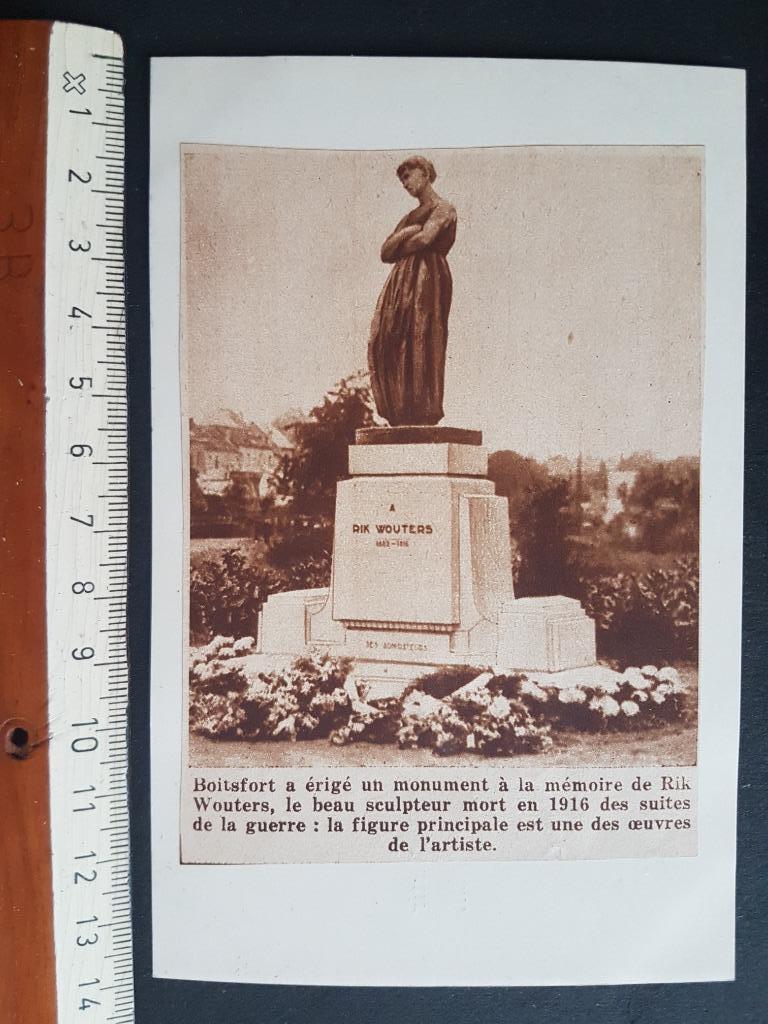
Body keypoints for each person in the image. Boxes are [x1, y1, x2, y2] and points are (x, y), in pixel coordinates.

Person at [368, 156, 457, 426]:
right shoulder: (409, 218)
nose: (405, 184)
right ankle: (398, 408)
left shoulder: (444, 208)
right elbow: (385, 252)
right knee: (386, 339)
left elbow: (425, 238)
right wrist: (410, 232)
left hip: (428, 278)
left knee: (422, 336)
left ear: (426, 173)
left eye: (409, 176)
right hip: (401, 282)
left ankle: (422, 407)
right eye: (402, 179)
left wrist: (407, 238)